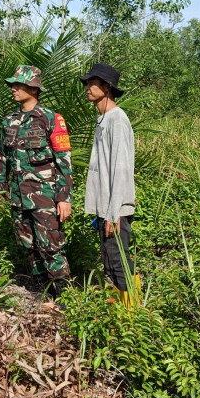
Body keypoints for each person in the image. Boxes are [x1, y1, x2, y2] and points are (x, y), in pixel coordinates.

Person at [0, 65, 73, 302]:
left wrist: (64, 198)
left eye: (18, 84)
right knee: (29, 245)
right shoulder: (9, 121)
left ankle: (65, 297)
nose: (13, 89)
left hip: (45, 196)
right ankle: (42, 292)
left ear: (33, 88)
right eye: (13, 85)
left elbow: (64, 161)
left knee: (51, 247)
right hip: (18, 197)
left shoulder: (51, 119)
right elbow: (1, 157)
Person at [80, 63, 140, 307]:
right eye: (86, 84)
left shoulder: (117, 119)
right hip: (106, 207)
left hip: (115, 209)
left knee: (118, 260)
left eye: (92, 84)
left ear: (107, 87)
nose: (88, 88)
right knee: (110, 259)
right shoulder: (103, 119)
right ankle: (120, 311)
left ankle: (133, 314)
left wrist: (114, 212)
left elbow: (122, 167)